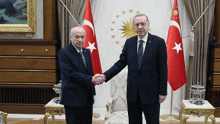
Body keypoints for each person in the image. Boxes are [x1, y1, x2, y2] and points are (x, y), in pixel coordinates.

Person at [98, 14, 167, 124]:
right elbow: (120, 63)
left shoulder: (158, 42)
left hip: (151, 95)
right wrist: (105, 76)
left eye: (142, 24)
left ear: (148, 25)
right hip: (133, 95)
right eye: (137, 24)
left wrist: (163, 92)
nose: (140, 27)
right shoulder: (129, 42)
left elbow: (163, 69)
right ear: (134, 27)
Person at [58, 26, 104, 124]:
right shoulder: (64, 52)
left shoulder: (86, 51)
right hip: (73, 99)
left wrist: (95, 84)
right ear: (70, 37)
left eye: (82, 37)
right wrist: (91, 79)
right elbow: (70, 74)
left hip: (87, 98)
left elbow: (89, 72)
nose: (80, 39)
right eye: (77, 37)